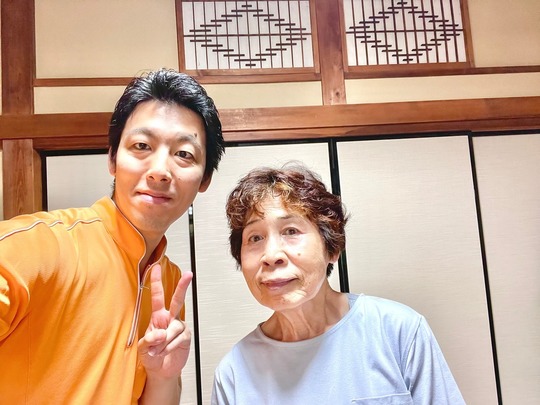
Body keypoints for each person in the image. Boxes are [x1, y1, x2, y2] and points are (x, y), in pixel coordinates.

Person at [0, 68, 225, 404]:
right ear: (112, 158)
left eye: (184, 154)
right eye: (142, 146)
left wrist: (162, 376)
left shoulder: (168, 281)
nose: (160, 171)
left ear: (204, 180)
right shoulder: (37, 247)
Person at [212, 164, 465, 404]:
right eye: (255, 237)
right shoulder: (234, 373)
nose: (271, 255)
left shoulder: (398, 331)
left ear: (332, 247)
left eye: (291, 231)